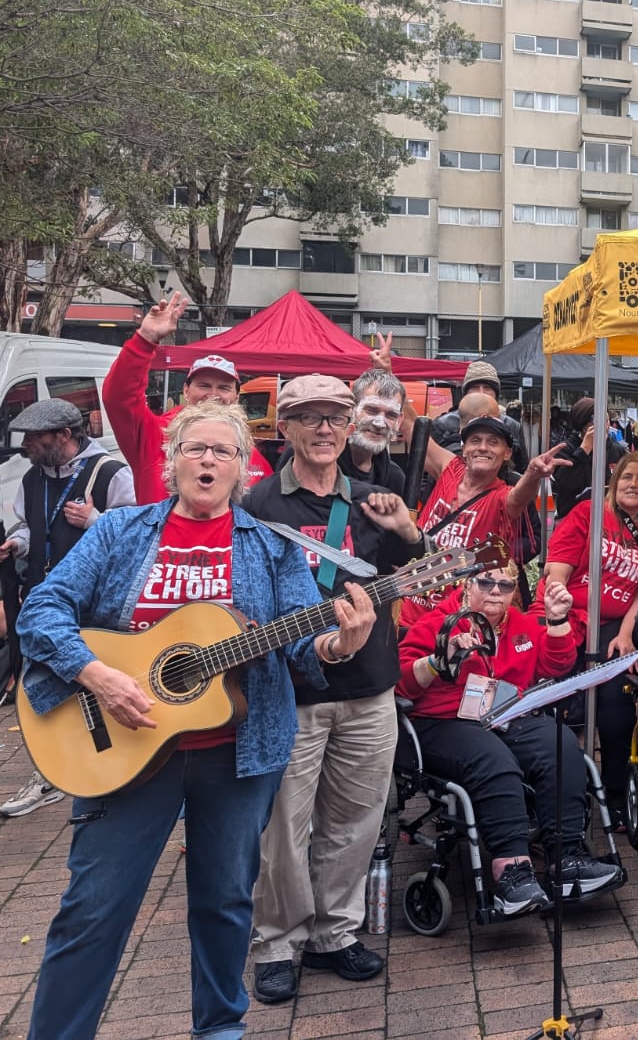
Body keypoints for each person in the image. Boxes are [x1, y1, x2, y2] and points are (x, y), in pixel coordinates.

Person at [17, 401, 375, 1040]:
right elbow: (41, 608)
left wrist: (337, 645)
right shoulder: (120, 532)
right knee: (93, 911)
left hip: (235, 753)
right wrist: (95, 673)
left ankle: (219, 1029)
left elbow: (299, 640)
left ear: (242, 470)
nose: (207, 461)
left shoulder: (271, 546)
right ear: (172, 459)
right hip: (119, 745)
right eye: (194, 448)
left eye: (223, 452)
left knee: (225, 904)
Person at [243, 375, 427, 1005]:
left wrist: (408, 530)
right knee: (284, 830)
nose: (325, 430)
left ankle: (335, 932)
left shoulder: (379, 497)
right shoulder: (261, 504)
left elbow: (415, 573)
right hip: (290, 692)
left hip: (370, 687)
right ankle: (278, 942)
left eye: (335, 418)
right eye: (310, 418)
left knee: (354, 820)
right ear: (285, 428)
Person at [398, 569, 625, 916]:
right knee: (493, 759)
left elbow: (556, 665)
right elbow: (402, 684)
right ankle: (512, 874)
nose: (495, 591)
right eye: (485, 582)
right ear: (466, 584)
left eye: (505, 584)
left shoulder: (519, 624)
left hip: (504, 717)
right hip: (443, 722)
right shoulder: (436, 624)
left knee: (560, 743)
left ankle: (567, 859)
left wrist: (557, 620)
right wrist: (438, 660)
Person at [0, 397, 135, 818]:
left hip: (96, 605)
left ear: (64, 436)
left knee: (98, 683)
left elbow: (134, 537)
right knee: (42, 686)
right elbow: (30, 528)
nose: (27, 446)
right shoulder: (32, 479)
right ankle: (50, 774)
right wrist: (15, 545)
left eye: (35, 437)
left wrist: (95, 520)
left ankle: (110, 765)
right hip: (44, 598)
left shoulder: (110, 473)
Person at [542, 451, 638, 822]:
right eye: (627, 477)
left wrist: (626, 634)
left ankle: (614, 793)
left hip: (612, 626)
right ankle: (560, 794)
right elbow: (557, 566)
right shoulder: (590, 513)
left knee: (616, 704)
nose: (634, 485)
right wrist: (556, 595)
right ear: (614, 482)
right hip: (571, 616)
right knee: (557, 704)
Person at [104, 291, 274, 503]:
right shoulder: (155, 435)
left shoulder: (249, 452)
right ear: (186, 390)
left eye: (223, 387)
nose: (213, 395)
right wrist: (145, 340)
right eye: (203, 385)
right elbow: (119, 399)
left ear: (236, 396)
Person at [400, 415, 568, 628]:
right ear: (464, 449)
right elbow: (411, 427)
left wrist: (533, 474)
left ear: (507, 453)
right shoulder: (450, 469)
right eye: (475, 440)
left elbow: (519, 496)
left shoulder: (501, 497)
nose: (483, 447)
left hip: (456, 622)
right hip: (406, 608)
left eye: (493, 442)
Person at [551, 397, 627, 518]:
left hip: (609, 518)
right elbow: (564, 484)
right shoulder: (565, 448)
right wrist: (583, 450)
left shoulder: (617, 450)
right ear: (583, 426)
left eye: (606, 420)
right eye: (597, 422)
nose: (605, 426)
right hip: (573, 517)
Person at [343, 367, 409, 496]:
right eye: (371, 410)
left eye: (391, 415)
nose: (379, 424)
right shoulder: (322, 464)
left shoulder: (395, 479)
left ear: (399, 421)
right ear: (351, 409)